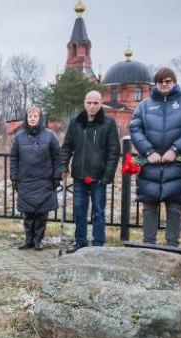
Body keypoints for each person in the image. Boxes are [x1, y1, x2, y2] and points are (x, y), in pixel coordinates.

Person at [130, 67, 181, 248]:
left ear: (174, 83)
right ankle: (148, 246)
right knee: (149, 207)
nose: (164, 84)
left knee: (174, 207)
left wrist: (175, 150)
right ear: (156, 84)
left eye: (168, 81)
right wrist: (148, 152)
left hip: (175, 163)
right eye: (160, 81)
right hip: (150, 163)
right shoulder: (144, 106)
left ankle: (172, 248)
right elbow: (135, 129)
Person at [60, 91, 121, 253]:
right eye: (89, 103)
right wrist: (63, 165)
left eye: (95, 103)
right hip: (80, 175)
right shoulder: (76, 123)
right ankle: (80, 241)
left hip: (99, 177)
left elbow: (114, 151)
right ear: (84, 103)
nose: (92, 106)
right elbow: (67, 147)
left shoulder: (108, 124)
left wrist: (108, 175)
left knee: (99, 211)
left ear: (101, 103)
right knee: (79, 210)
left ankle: (98, 244)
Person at [10, 106, 64, 250]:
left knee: (41, 213)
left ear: (40, 118)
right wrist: (14, 178)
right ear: (26, 119)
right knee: (27, 213)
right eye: (30, 116)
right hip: (25, 180)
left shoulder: (50, 135)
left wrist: (57, 176)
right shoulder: (18, 137)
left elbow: (57, 157)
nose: (32, 118)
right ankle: (29, 240)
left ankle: (39, 240)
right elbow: (14, 159)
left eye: (35, 116)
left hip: (44, 180)